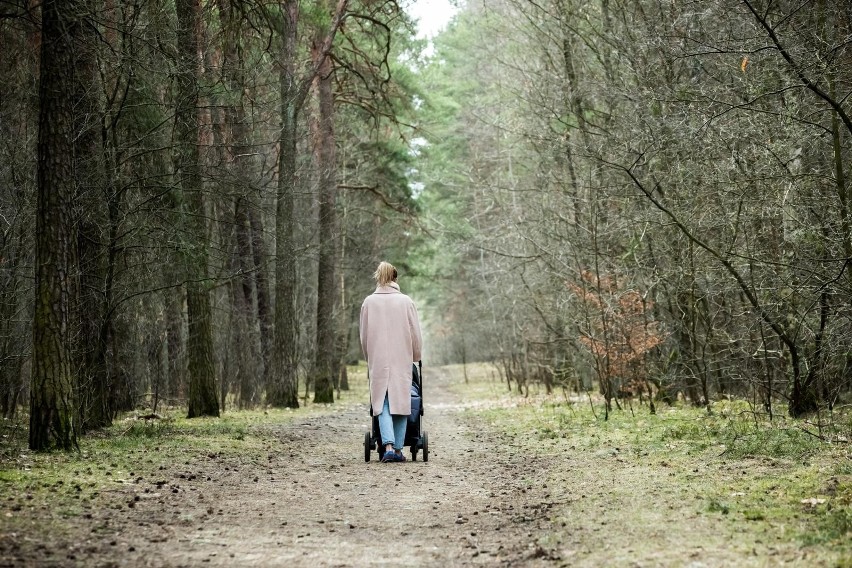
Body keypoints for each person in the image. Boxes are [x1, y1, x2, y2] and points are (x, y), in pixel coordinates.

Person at [359, 261, 423, 463]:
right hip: (401, 359)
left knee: (382, 403)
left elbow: (364, 336)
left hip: (378, 360)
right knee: (401, 403)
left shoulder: (368, 302)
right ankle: (397, 450)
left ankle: (386, 446)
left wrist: (369, 356)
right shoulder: (406, 301)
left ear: (378, 277)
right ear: (395, 278)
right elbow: (415, 334)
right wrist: (416, 355)